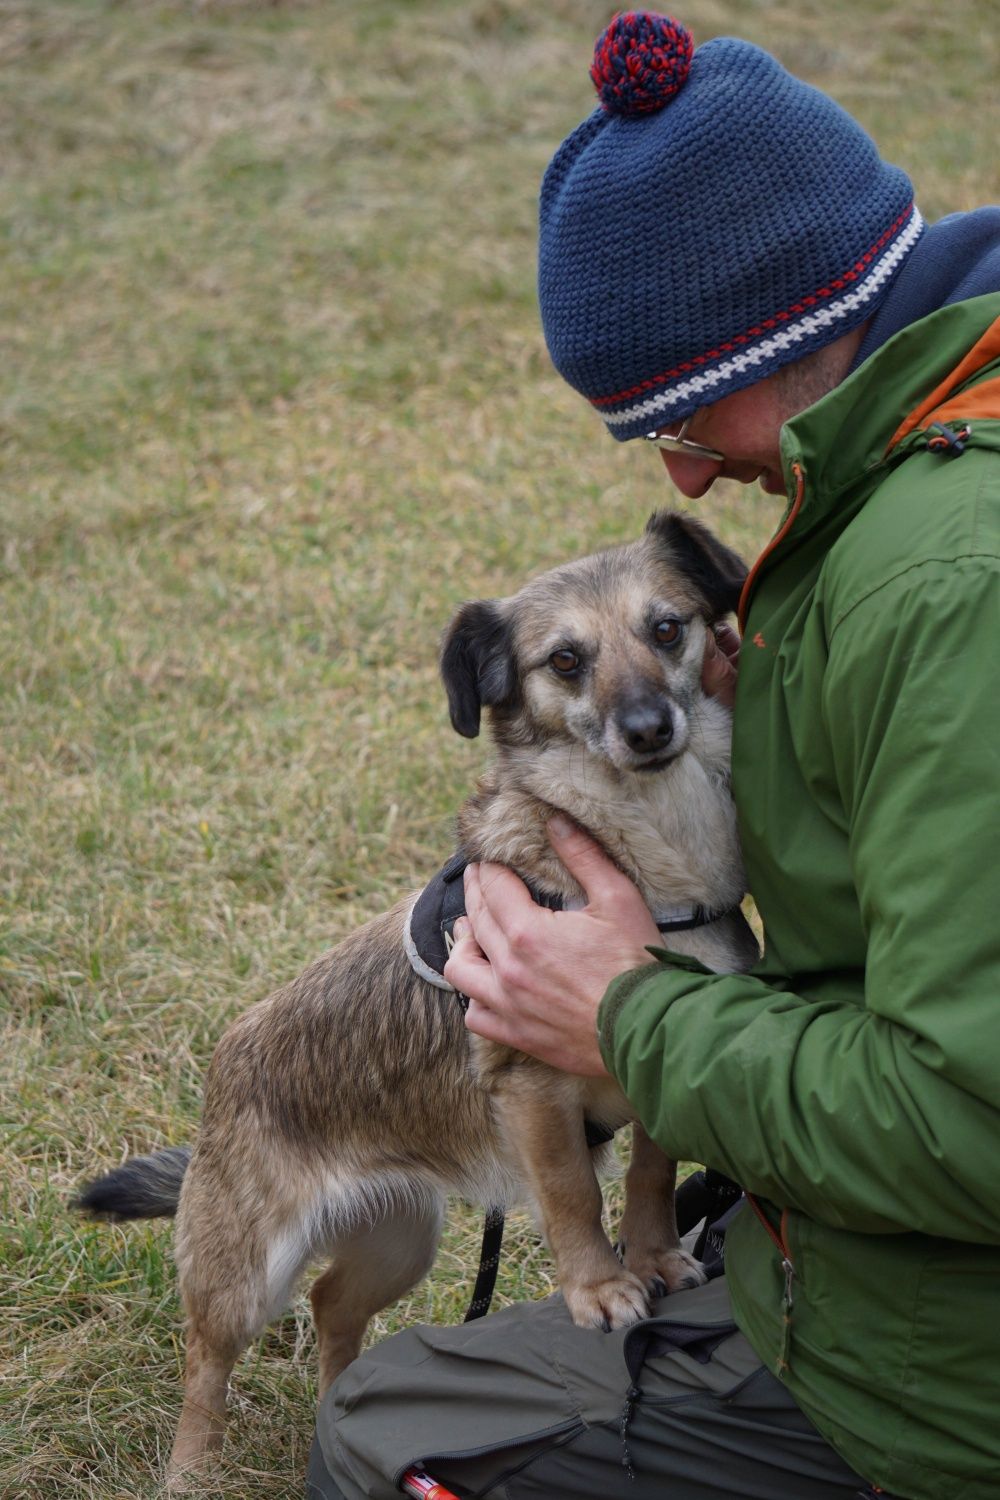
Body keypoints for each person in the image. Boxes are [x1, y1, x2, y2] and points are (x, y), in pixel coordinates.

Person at [308, 13, 1000, 1499]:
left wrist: (629, 1015)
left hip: (943, 1379)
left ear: (791, 322)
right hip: (861, 1234)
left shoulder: (952, 586)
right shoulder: (908, 473)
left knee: (386, 1436)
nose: (681, 472)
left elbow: (970, 1124)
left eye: (682, 413)